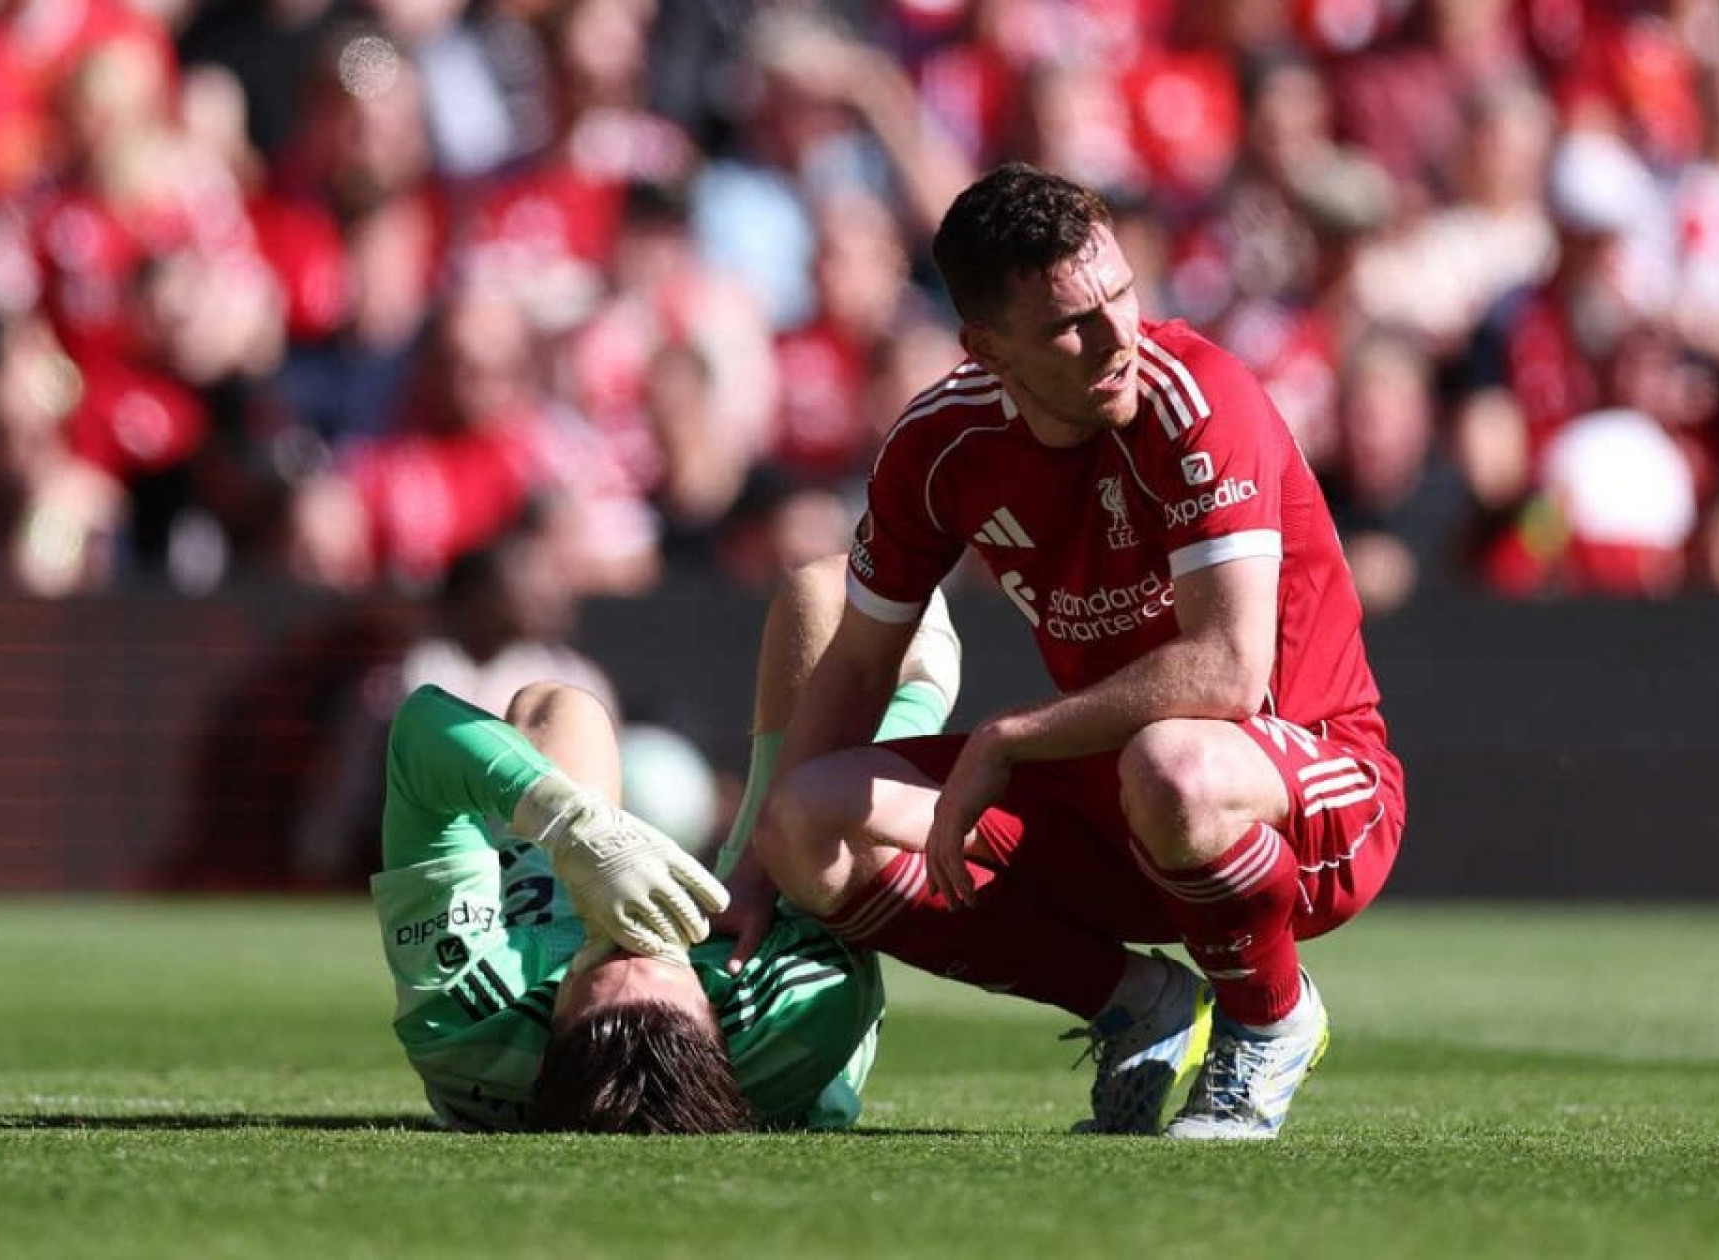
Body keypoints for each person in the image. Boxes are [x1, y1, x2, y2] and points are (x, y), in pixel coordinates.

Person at [740, 163, 1406, 1140]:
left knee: (1173, 763)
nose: (1116, 336)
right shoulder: (939, 446)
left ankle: (1269, 1020)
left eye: (1122, 294)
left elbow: (1227, 673)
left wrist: (1009, 735)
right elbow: (855, 665)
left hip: (1308, 794)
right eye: (1068, 324)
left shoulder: (1200, 399)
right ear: (986, 347)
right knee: (806, 824)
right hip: (1112, 807)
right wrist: (758, 873)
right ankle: (1134, 1000)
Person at [369, 556, 961, 1133]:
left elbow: (420, 734)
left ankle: (583, 866)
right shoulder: (795, 1006)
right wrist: (917, 697)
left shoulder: (465, 1020)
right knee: (824, 594)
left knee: (557, 708)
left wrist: (575, 827)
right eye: (654, 953)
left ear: (551, 1021)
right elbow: (841, 811)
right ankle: (931, 670)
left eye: (607, 956)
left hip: (543, 971)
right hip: (754, 948)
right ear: (713, 1011)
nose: (632, 929)